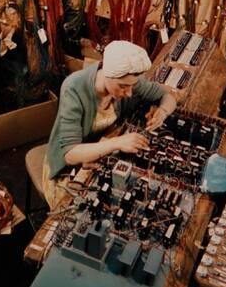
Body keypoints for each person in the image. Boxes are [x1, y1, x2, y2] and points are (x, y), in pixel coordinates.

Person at [42, 40, 177, 210]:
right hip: (68, 167)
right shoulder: (73, 88)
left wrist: (162, 113)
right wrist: (118, 142)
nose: (129, 93)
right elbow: (70, 154)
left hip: (101, 149)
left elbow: (168, 97)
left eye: (132, 87)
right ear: (107, 74)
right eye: (123, 87)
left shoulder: (130, 81)